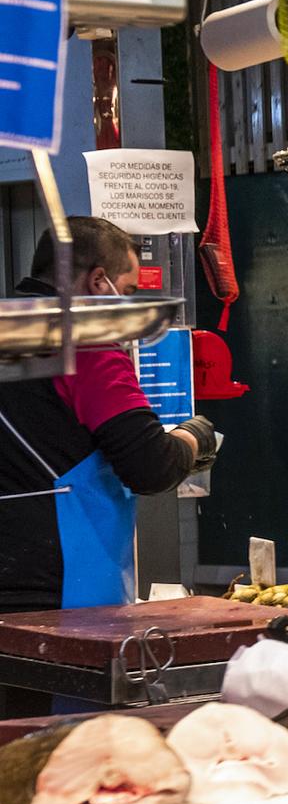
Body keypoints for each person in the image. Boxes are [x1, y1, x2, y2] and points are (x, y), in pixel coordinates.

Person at [0, 218, 220, 614]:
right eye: (129, 290)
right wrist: (194, 438)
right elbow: (151, 466)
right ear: (99, 281)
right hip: (59, 595)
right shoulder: (85, 343)